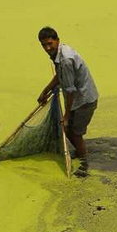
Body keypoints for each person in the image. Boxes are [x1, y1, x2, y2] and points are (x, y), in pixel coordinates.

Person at [37, 26, 98, 172]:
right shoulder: (59, 53)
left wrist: (66, 116)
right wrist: (46, 90)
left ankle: (84, 162)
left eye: (50, 43)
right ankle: (80, 152)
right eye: (44, 45)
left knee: (74, 133)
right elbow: (60, 75)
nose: (47, 47)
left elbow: (70, 90)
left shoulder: (66, 59)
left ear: (57, 41)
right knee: (70, 130)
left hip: (84, 100)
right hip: (78, 98)